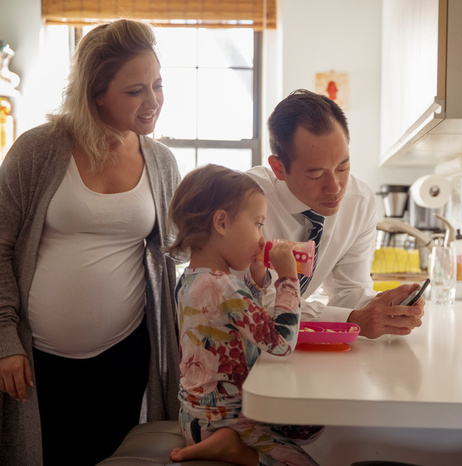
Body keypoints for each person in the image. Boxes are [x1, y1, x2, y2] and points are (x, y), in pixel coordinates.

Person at [0, 19, 181, 465]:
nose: (153, 100)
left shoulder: (161, 163)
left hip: (125, 352)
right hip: (37, 356)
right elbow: (0, 246)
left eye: (158, 84)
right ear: (97, 91)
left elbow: (178, 253)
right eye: (135, 90)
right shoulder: (37, 150)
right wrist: (5, 338)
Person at [166, 164, 320, 466]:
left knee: (307, 427)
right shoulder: (225, 287)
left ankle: (222, 444)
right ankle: (234, 451)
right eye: (258, 224)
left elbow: (237, 321)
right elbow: (280, 342)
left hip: (195, 417)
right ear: (221, 222)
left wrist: (257, 278)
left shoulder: (192, 280)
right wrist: (288, 277)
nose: (262, 238)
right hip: (229, 421)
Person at [247, 89, 424, 339]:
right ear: (279, 168)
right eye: (316, 175)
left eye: (343, 167)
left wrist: (387, 307)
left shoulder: (360, 203)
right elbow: (258, 303)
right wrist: (353, 320)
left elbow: (349, 291)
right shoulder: (246, 201)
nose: (335, 188)